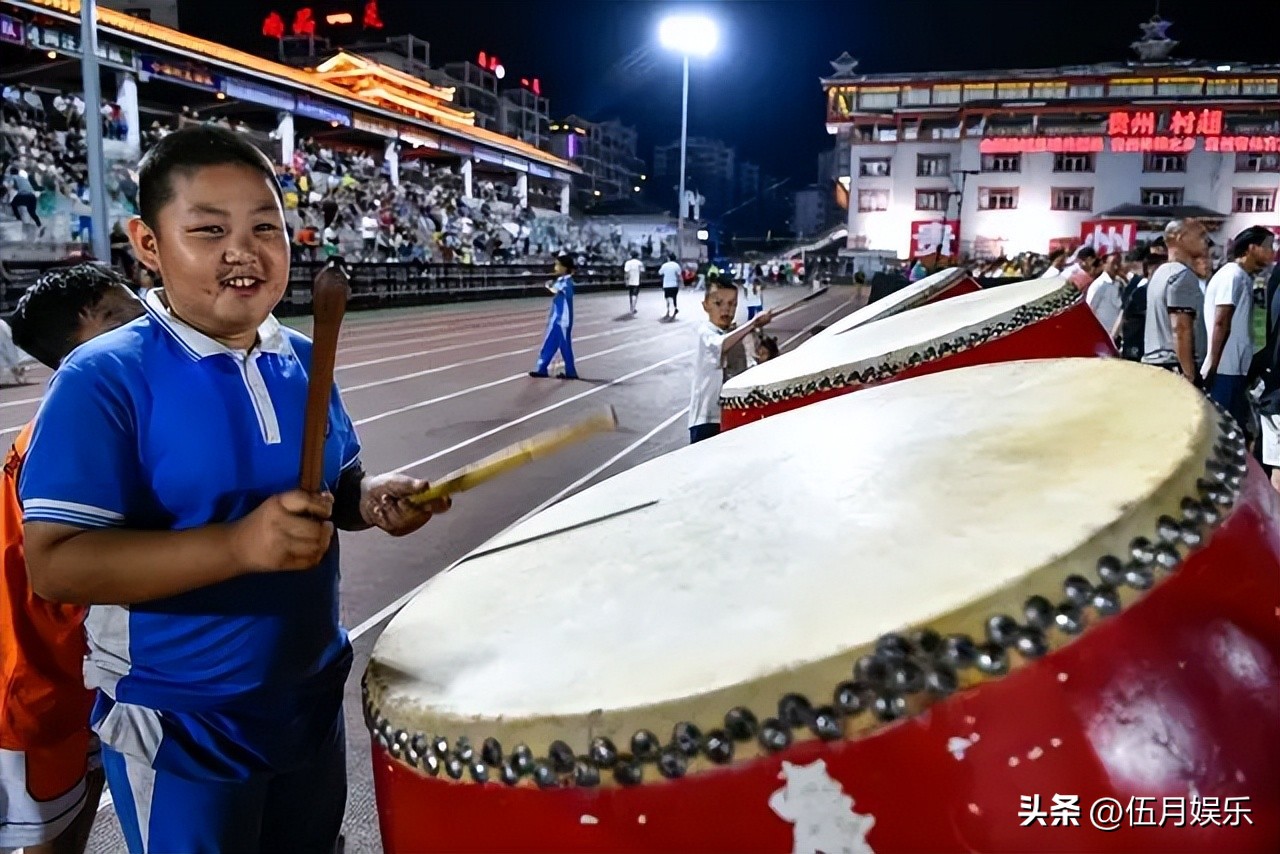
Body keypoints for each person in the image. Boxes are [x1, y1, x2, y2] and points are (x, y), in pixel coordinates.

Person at [18, 125, 450, 854]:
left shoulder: (304, 357)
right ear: (148, 245)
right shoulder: (102, 378)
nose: (242, 251)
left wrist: (372, 499)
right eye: (208, 230)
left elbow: (335, 485)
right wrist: (237, 546)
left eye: (264, 228)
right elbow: (56, 563)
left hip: (307, 694)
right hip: (180, 716)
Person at [0, 264, 144, 854]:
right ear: (74, 351)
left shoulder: (95, 418)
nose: (144, 321)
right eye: (119, 316)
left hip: (81, 673)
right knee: (47, 841)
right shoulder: (67, 437)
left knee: (77, 811)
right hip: (39, 682)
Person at [1203, 226, 1274, 432]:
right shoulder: (1231, 276)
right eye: (1268, 247)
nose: (1272, 252)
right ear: (1252, 248)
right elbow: (1221, 321)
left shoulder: (1243, 276)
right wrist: (1213, 365)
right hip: (1225, 369)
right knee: (1222, 432)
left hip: (1236, 368)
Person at [688, 277, 772, 444]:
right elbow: (721, 345)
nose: (726, 310)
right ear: (705, 305)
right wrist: (752, 324)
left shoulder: (735, 336)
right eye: (718, 303)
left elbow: (745, 370)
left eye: (732, 304)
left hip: (731, 414)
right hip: (707, 419)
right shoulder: (705, 332)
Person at [1142, 218, 1210, 383]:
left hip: (1154, 362)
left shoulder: (1160, 273)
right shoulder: (1182, 276)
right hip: (1174, 366)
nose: (1206, 241)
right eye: (1200, 235)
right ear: (1181, 238)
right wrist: (1189, 375)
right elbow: (1180, 329)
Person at [529, 252, 577, 380]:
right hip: (556, 318)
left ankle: (571, 372)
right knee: (549, 343)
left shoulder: (568, 282)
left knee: (565, 346)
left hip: (564, 320)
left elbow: (559, 291)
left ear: (564, 267)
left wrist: (549, 286)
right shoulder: (561, 281)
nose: (555, 268)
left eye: (557, 265)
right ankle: (541, 368)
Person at [1085, 252, 1125, 342]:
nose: (1116, 267)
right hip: (1102, 336)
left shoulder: (1120, 284)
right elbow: (1090, 310)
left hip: (1117, 335)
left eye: (1118, 263)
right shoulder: (1098, 285)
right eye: (1113, 263)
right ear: (1104, 264)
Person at [659, 253, 681, 320]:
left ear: (668, 258)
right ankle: (673, 312)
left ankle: (669, 312)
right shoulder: (677, 265)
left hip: (666, 285)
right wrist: (682, 284)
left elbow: (660, 273)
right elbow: (679, 275)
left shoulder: (664, 265)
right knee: (674, 299)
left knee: (668, 299)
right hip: (674, 285)